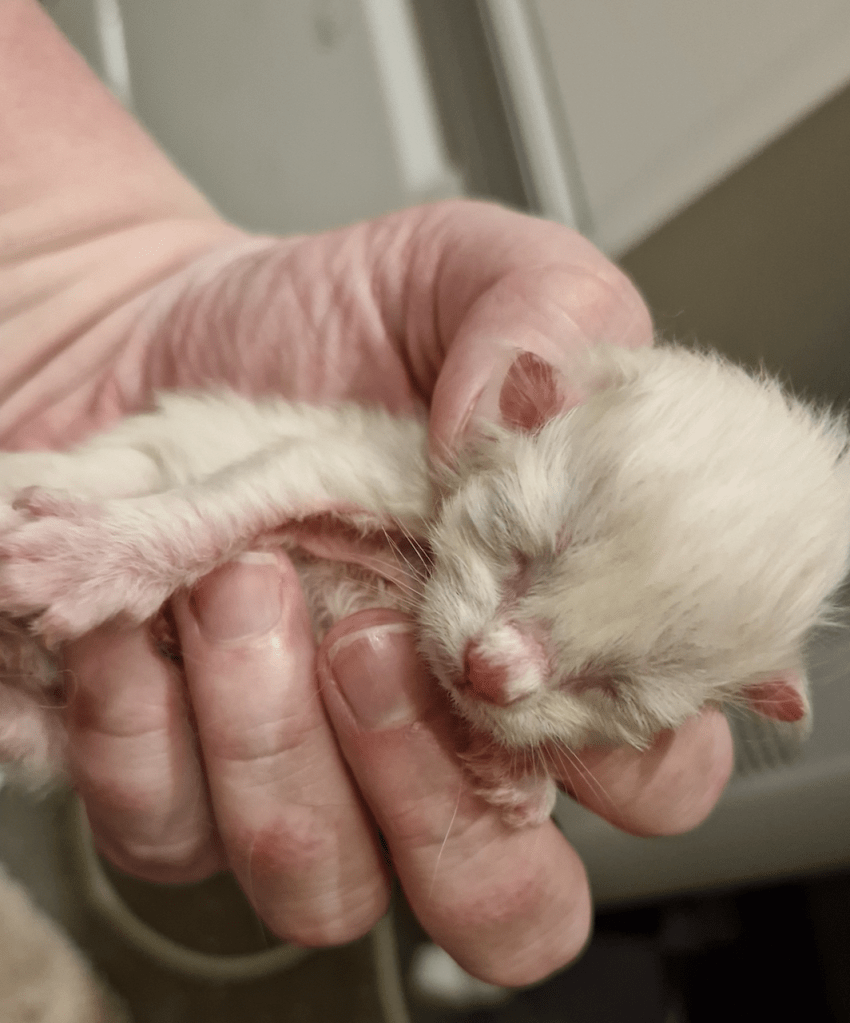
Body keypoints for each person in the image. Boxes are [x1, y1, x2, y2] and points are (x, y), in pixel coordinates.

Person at [0, 0, 732, 986]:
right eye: (533, 556)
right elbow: (290, 479)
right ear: (540, 406)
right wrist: (141, 541)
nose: (501, 669)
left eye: (614, 682)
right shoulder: (442, 463)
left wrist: (512, 763)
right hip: (108, 495)